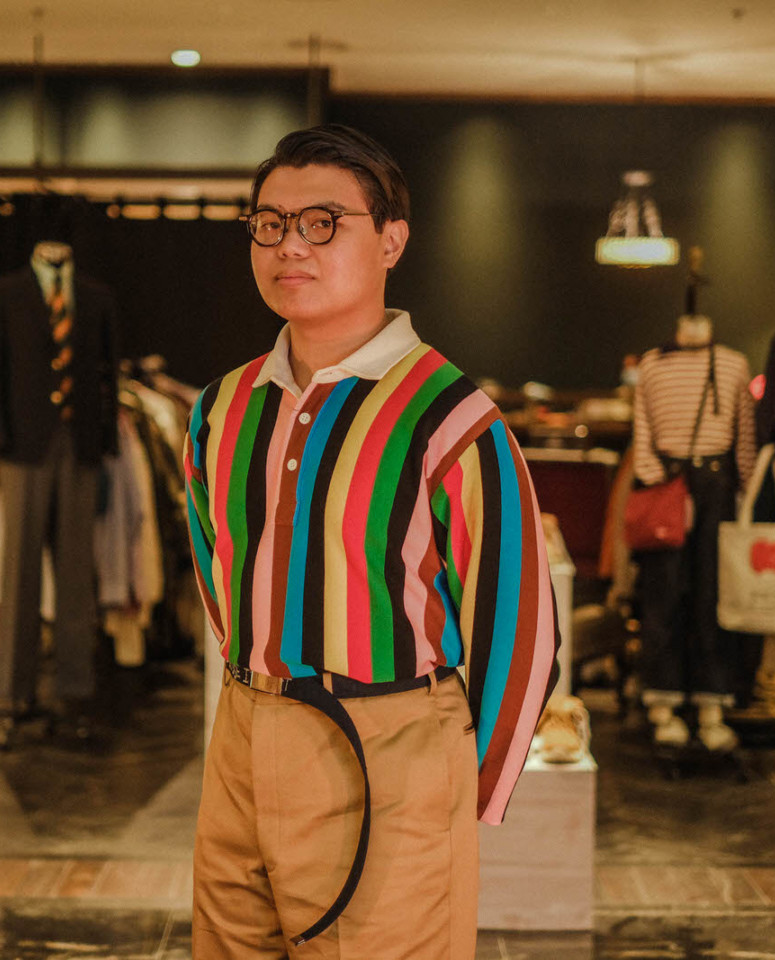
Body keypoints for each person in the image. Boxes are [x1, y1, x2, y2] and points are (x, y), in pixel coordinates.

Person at [183, 124, 560, 959]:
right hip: (243, 725)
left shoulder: (451, 415)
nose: (290, 245)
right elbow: (218, 568)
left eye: (322, 222)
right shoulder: (221, 407)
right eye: (270, 223)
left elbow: (518, 621)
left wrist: (457, 794)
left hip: (390, 743)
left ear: (391, 240)